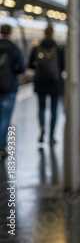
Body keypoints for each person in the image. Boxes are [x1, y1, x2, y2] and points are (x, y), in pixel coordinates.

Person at [29, 25, 64, 145]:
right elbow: (63, 66)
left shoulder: (37, 47)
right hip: (55, 83)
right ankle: (52, 136)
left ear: (44, 34)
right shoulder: (58, 48)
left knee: (41, 108)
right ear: (53, 34)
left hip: (40, 82)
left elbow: (30, 65)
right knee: (54, 109)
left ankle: (42, 128)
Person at [0, 24, 25, 158]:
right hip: (9, 87)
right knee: (5, 118)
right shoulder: (14, 48)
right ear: (10, 33)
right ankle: (1, 147)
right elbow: (21, 68)